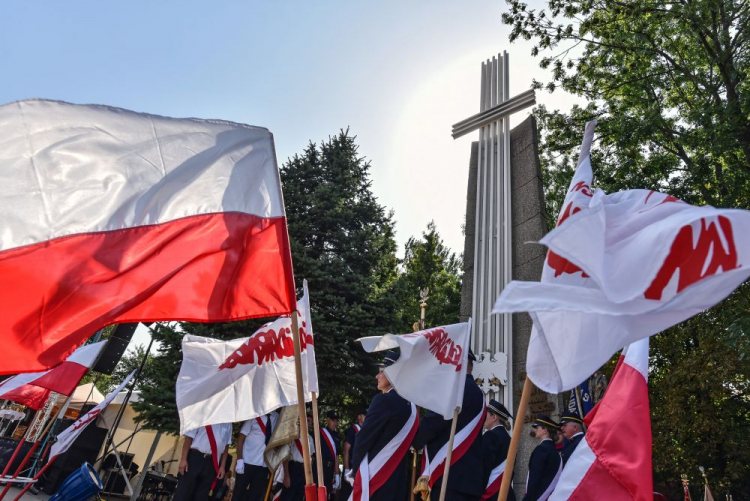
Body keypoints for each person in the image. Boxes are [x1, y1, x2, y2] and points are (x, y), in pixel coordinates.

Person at [412, 350, 484, 501]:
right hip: (471, 480)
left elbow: (434, 421)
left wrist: (415, 440)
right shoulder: (480, 394)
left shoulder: (455, 390)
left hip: (448, 476)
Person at [350, 350, 417, 500]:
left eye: (381, 372)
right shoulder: (412, 406)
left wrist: (355, 471)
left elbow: (363, 438)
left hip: (376, 479)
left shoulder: (383, 400)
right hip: (398, 480)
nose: (377, 376)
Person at [175, 423, 233, 501]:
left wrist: (222, 466)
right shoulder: (202, 414)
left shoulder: (228, 423)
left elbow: (226, 447)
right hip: (195, 458)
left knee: (202, 495)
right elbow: (189, 438)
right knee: (184, 492)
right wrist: (183, 459)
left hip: (212, 463)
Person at [234, 411, 278, 501]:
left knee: (255, 496)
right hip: (247, 461)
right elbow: (240, 439)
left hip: (263, 465)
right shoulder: (254, 414)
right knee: (238, 494)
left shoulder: (277, 417)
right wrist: (239, 460)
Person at [481, 399, 515, 501]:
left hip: (491, 494)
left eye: (486, 415)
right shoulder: (509, 439)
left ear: (494, 417)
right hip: (506, 493)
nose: (483, 418)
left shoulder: (490, 436)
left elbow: (483, 467)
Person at [523, 415, 562, 501]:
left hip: (537, 496)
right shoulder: (555, 451)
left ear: (545, 430)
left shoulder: (541, 449)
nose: (535, 430)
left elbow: (535, 477)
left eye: (537, 427)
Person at [340, 408, 366, 500]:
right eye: (364, 415)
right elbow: (346, 450)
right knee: (347, 494)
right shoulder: (353, 430)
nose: (366, 417)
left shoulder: (365, 431)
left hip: (360, 468)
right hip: (351, 467)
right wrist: (346, 469)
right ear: (359, 417)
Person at [318, 410, 341, 500]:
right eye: (332, 420)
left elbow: (337, 456)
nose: (335, 423)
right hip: (320, 468)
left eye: (336, 421)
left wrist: (337, 474)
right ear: (327, 420)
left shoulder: (336, 436)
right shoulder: (321, 433)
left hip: (330, 470)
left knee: (327, 495)